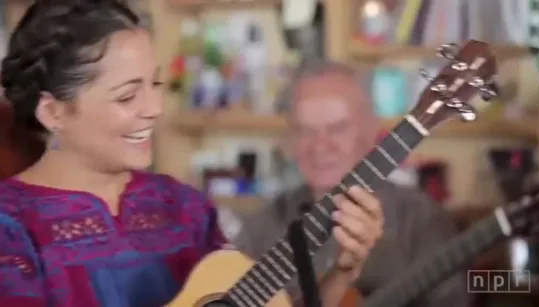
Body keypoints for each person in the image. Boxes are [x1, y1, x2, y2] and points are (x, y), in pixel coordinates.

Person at [0, 1, 384, 306]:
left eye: (156, 84)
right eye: (128, 96)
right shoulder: (11, 226)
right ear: (52, 112)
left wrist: (343, 271)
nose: (155, 108)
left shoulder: (183, 206)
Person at [234, 59, 470, 307]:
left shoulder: (422, 221)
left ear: (369, 131)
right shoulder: (260, 229)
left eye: (337, 128)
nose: (320, 146)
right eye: (305, 131)